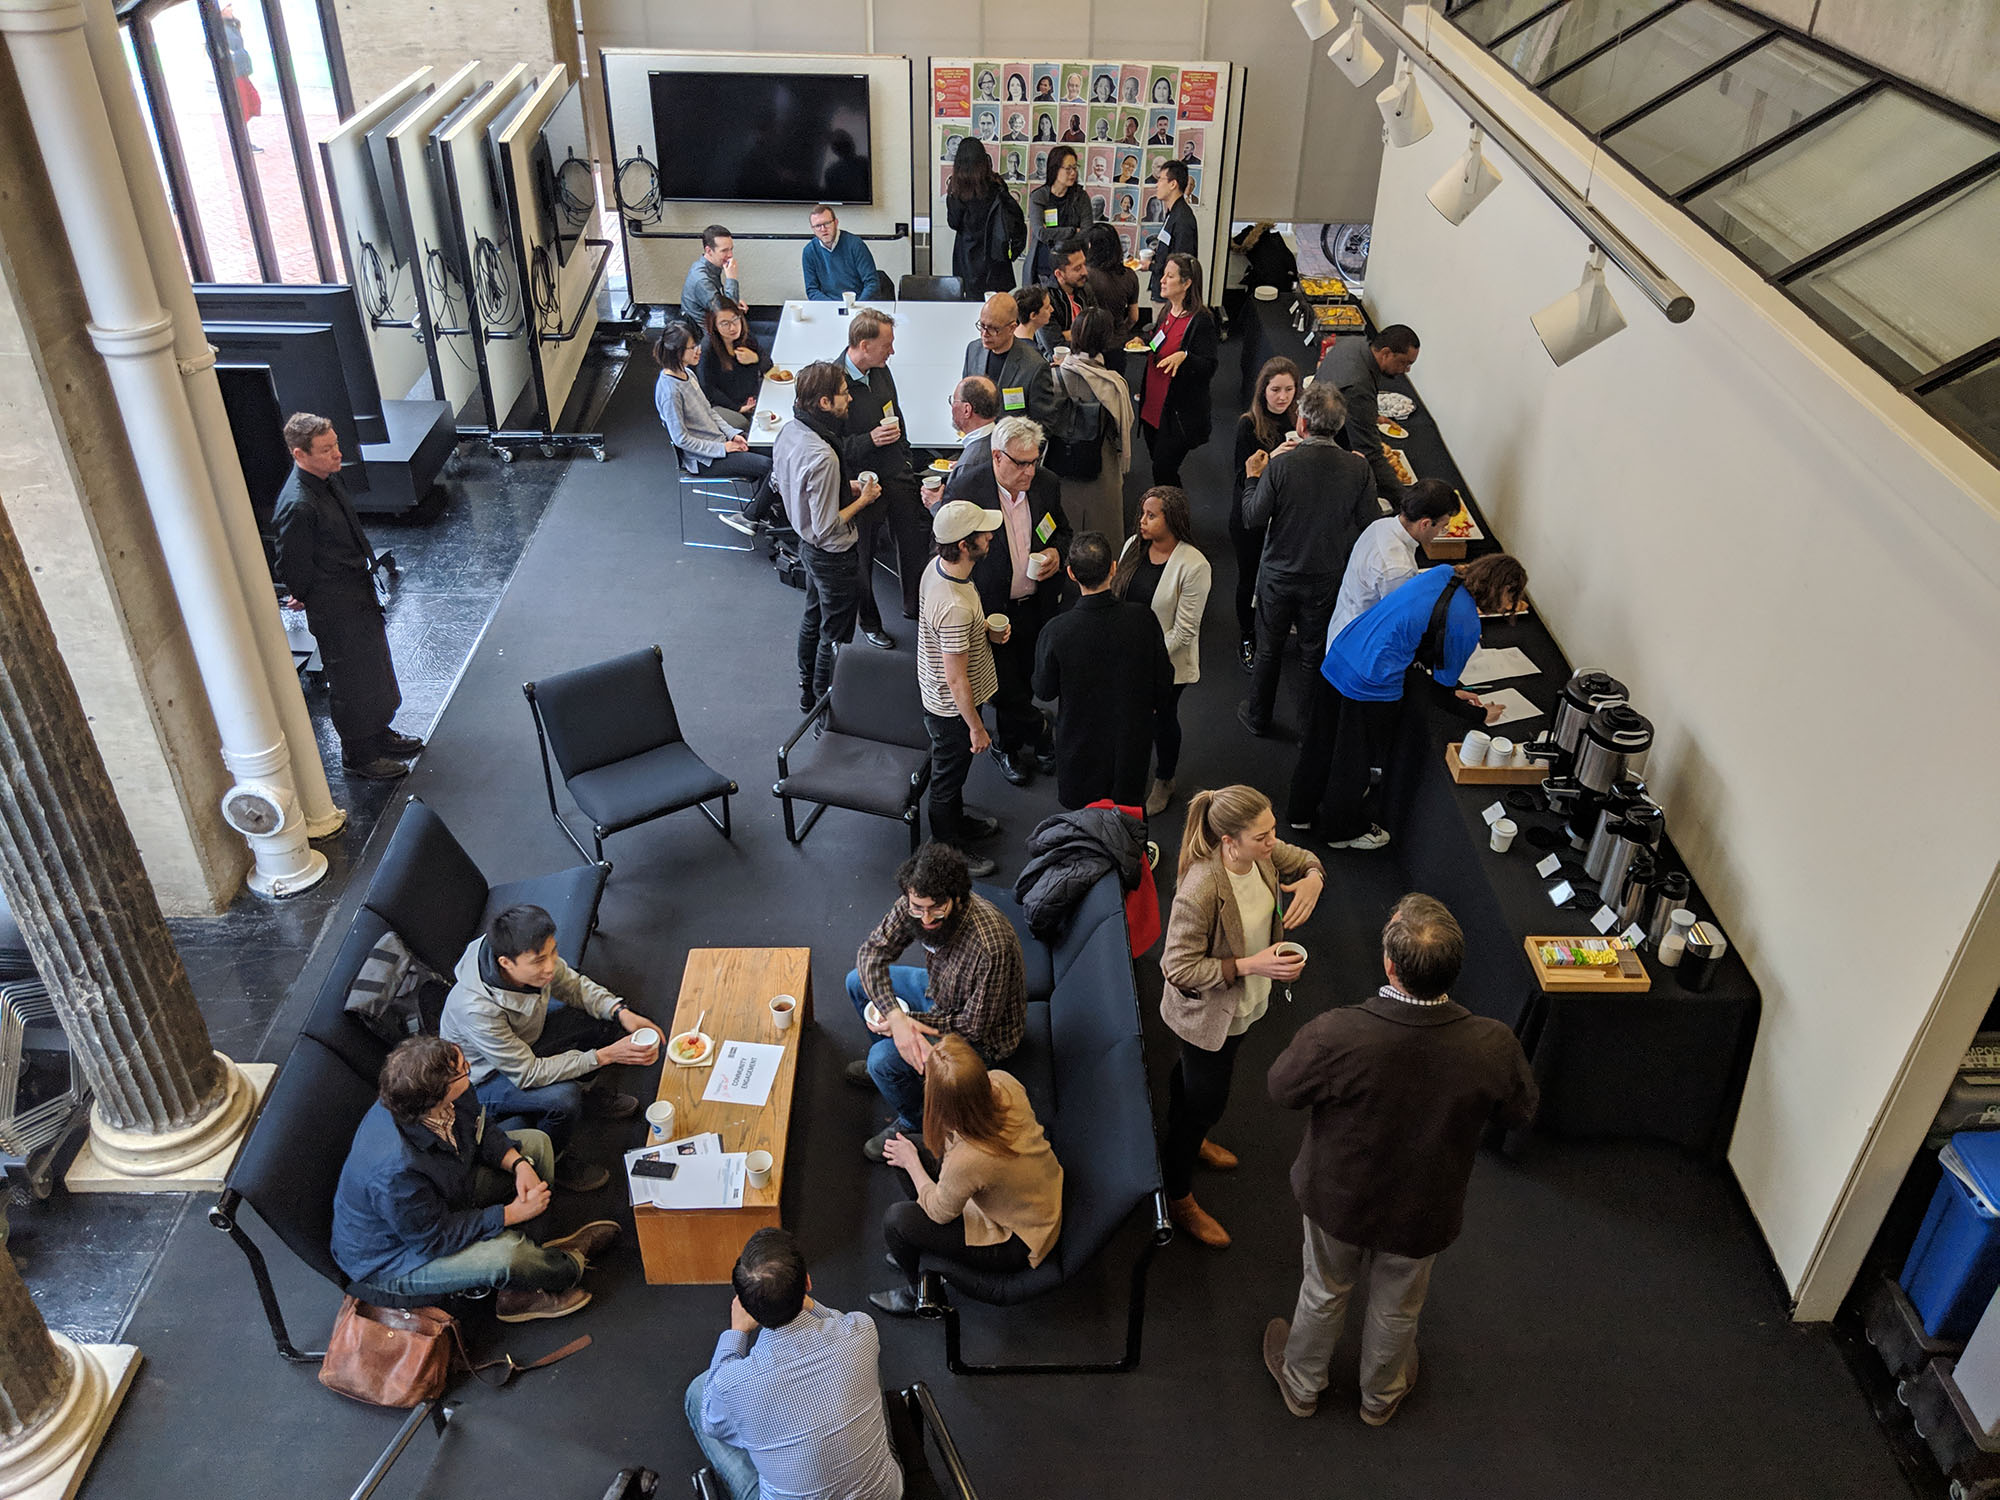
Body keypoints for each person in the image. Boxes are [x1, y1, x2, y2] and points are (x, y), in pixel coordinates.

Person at [1263, 895, 1537, 1425]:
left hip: (1338, 1195)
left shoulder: (1338, 1032)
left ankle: (1301, 1385)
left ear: (1390, 965)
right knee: (1399, 1304)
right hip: (1424, 1205)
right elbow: (1519, 1112)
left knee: (1323, 1288)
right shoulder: (1493, 1043)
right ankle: (1379, 1398)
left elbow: (1282, 1089)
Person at [331, 1036, 618, 1322]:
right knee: (506, 1256)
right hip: (397, 1257)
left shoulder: (450, 1094)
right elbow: (435, 1238)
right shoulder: (394, 1173)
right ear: (435, 1096)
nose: (469, 1066)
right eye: (463, 1069)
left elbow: (481, 1128)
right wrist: (508, 1215)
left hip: (443, 1192)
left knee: (536, 1146)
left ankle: (525, 1276)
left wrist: (518, 1164)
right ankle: (567, 1268)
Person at [1159, 786, 1324, 1249]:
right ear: (1230, 841)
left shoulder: (1264, 855)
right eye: (1263, 836)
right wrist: (1252, 965)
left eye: (1274, 831)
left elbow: (1302, 858)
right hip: (1204, 1015)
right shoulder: (1202, 888)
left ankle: (1186, 1138)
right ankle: (1176, 1192)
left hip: (1242, 1005)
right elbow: (1176, 967)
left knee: (1193, 1085)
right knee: (1206, 1102)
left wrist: (1313, 876)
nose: (1274, 842)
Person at [1290, 554, 1527, 849]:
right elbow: (1439, 692)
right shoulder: (1467, 622)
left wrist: (1453, 689)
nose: (1510, 606)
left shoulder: (1443, 573)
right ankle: (1340, 832)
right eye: (1511, 597)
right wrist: (1481, 715)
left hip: (1345, 650)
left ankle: (1299, 812)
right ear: (1501, 590)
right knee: (1352, 760)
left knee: (1320, 739)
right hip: (1370, 679)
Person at [440, 904, 658, 1192]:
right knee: (563, 1100)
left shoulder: (524, 952)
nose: (551, 966)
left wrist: (620, 1011)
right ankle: (553, 1161)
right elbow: (527, 1073)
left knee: (602, 1018)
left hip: (521, 1043)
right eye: (540, 960)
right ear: (506, 963)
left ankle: (587, 1095)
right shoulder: (474, 1009)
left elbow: (574, 987)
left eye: (553, 952)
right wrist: (604, 1056)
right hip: (486, 1078)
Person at [686, 1228, 902, 1500]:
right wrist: (810, 1305)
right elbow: (840, 1322)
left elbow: (713, 1422)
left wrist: (737, 1332)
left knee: (699, 1393)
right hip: (885, 1493)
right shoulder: (861, 1331)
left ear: (745, 1305)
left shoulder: (732, 1384)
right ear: (808, 1284)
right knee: (861, 1359)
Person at [847, 843, 1027, 1157]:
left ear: (957, 898)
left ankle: (917, 1118)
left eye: (936, 908)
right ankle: (899, 1060)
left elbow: (976, 1027)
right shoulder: (913, 903)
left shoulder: (990, 944)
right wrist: (896, 1019)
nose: (926, 918)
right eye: (918, 907)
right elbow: (871, 954)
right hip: (940, 992)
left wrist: (910, 1023)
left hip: (984, 1037)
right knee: (856, 982)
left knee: (882, 1064)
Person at [273, 412, 419, 780]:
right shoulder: (299, 505)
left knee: (373, 667)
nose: (338, 454)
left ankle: (379, 732)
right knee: (351, 680)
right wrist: (303, 593)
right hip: (335, 605)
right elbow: (290, 563)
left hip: (356, 593)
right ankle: (359, 755)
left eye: (336, 444)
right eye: (326, 449)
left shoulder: (326, 479)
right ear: (299, 454)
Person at [871, 1035, 1062, 1317]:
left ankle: (919, 1293)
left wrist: (913, 1163)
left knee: (897, 1219)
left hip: (1018, 1239)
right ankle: (920, 1245)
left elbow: (939, 1212)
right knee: (912, 1149)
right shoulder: (1002, 1082)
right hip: (1036, 1197)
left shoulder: (971, 1159)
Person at [1237, 381, 1380, 740]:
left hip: (1278, 573)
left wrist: (1253, 478)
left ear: (1301, 424)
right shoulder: (1358, 469)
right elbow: (1370, 524)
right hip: (1326, 575)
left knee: (1269, 648)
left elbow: (1252, 517)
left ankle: (1257, 716)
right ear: (1339, 424)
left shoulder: (1282, 465)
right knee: (1313, 652)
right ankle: (1310, 726)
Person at [942, 416, 1071, 789]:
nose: (1030, 471)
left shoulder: (1046, 484)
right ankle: (1029, 736)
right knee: (999, 685)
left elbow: (1063, 531)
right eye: (1021, 463)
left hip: (1037, 603)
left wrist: (1056, 555)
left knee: (1028, 675)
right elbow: (948, 551)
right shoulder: (967, 488)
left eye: (1035, 460)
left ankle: (1018, 737)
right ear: (997, 457)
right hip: (989, 610)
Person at [1031, 531, 1173, 811]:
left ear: (1071, 573)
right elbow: (1164, 679)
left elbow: (1043, 690)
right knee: (1127, 811)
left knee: (1084, 816)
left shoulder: (1056, 631)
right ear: (1113, 567)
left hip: (1079, 742)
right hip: (1130, 739)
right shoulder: (1142, 619)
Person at [775, 361, 882, 709]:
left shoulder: (790, 432)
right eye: (843, 393)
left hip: (805, 547)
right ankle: (824, 703)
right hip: (832, 554)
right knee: (834, 633)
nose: (849, 398)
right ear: (824, 403)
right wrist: (862, 499)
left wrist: (841, 488)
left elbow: (791, 487)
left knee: (813, 616)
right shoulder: (823, 456)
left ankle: (806, 686)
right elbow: (827, 527)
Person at [916, 500, 1007, 875]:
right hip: (952, 708)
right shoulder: (954, 605)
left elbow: (949, 636)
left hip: (944, 693)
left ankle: (954, 822)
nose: (990, 535)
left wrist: (982, 630)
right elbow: (956, 678)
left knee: (953, 774)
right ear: (965, 546)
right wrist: (976, 727)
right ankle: (947, 848)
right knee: (947, 777)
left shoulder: (939, 569)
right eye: (983, 533)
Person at [1113, 487, 1212, 817]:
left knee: (1162, 721)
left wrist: (1144, 658)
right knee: (1128, 716)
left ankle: (1164, 778)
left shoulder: (1194, 565)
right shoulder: (1132, 547)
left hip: (1166, 665)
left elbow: (1185, 631)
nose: (1141, 521)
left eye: (1151, 515)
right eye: (1142, 513)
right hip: (1126, 655)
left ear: (1173, 520)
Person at [837, 308, 932, 630]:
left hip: (896, 473)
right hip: (860, 486)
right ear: (864, 345)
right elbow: (833, 449)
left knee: (913, 542)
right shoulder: (835, 385)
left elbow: (896, 414)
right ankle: (870, 624)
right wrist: (870, 440)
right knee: (861, 557)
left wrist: (904, 456)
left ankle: (915, 607)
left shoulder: (880, 370)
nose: (892, 351)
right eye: (886, 344)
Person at [653, 323, 776, 523]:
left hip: (720, 443)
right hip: (704, 459)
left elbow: (709, 412)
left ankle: (765, 508)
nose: (699, 350)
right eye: (693, 347)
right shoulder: (670, 391)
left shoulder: (688, 374)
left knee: (776, 451)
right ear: (677, 352)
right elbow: (681, 439)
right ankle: (751, 517)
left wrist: (733, 434)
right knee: (769, 466)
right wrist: (723, 448)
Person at [1231, 359, 1303, 671]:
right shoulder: (1248, 425)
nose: (1282, 396)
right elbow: (1238, 477)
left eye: (1289, 389)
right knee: (1249, 578)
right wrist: (1271, 460)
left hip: (1287, 517)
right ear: (1263, 391)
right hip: (1252, 516)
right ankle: (1247, 634)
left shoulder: (1300, 422)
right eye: (1275, 390)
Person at [1326, 479, 1462, 641]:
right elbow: (1402, 622)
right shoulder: (1398, 570)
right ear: (1425, 524)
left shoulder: (1382, 524)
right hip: (1360, 643)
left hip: (1347, 621)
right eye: (1442, 527)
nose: (1441, 532)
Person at [1050, 308, 1133, 544]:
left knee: (1064, 532)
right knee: (1103, 537)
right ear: (1106, 340)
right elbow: (1121, 430)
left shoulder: (1053, 377)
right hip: (1101, 467)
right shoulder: (1115, 385)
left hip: (1061, 464)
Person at [1138, 252, 1219, 488]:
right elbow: (1158, 343)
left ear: (1187, 283)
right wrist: (1144, 343)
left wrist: (1185, 357)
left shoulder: (1201, 320)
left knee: (1163, 469)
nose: (1162, 280)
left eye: (1169, 276)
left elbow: (1209, 366)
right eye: (1163, 274)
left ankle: (1174, 515)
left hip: (1176, 413)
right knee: (1158, 463)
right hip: (1153, 405)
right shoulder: (1167, 310)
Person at [1321, 326, 1421, 500]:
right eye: (1404, 363)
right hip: (1328, 446)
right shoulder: (1359, 387)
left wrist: (1371, 416)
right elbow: (1370, 453)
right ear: (1386, 353)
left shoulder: (1354, 343)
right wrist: (1404, 497)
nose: (1407, 370)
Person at [959, 291, 1066, 433]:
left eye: (993, 329)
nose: (985, 334)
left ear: (1012, 328)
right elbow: (964, 398)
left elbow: (1044, 423)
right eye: (982, 325)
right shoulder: (973, 350)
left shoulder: (1034, 366)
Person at [946, 137, 1022, 298]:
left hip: (967, 256)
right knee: (998, 308)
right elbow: (1015, 217)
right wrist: (1013, 252)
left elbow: (953, 223)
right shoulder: (996, 184)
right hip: (996, 255)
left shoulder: (956, 187)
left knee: (970, 306)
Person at [1024, 147, 1093, 285]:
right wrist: (1072, 231)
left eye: (1075, 167)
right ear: (1055, 169)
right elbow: (1041, 233)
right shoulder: (1039, 196)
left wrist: (1053, 235)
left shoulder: (1081, 197)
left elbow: (1086, 231)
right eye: (1068, 169)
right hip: (1044, 266)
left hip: (1073, 267)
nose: (1073, 173)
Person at [698, 297, 766, 431]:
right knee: (746, 427)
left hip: (751, 398)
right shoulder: (707, 349)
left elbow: (768, 363)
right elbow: (708, 389)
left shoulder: (745, 337)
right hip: (726, 406)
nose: (733, 327)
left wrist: (755, 358)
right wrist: (738, 408)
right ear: (715, 326)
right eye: (725, 323)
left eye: (735, 319)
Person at [801, 203, 880, 303]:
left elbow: (872, 284)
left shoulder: (855, 245)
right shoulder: (809, 251)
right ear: (812, 229)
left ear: (836, 222)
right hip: (828, 306)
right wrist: (833, 307)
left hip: (858, 304)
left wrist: (857, 308)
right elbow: (812, 290)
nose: (823, 229)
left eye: (827, 223)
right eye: (817, 226)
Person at [1145, 160, 1198, 300]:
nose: (1157, 185)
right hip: (1163, 289)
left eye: (1161, 180)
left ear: (1173, 184)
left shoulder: (1182, 218)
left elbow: (1180, 264)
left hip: (1172, 296)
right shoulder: (1173, 213)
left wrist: (1150, 266)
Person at [1081, 223, 1138, 338]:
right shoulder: (1130, 275)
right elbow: (1134, 318)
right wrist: (1121, 332)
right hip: (1118, 338)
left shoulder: (1084, 275)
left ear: (1090, 246)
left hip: (1091, 339)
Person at [681, 224, 739, 328]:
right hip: (711, 334)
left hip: (718, 325)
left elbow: (719, 300)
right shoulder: (701, 280)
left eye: (731, 249)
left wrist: (733, 299)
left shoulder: (702, 265)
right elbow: (728, 314)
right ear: (708, 251)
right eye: (724, 250)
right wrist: (731, 279)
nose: (730, 255)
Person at [1041, 233, 1093, 345]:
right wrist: (1084, 334)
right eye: (1077, 268)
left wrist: (1067, 334)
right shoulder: (1045, 299)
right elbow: (1055, 346)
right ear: (1059, 274)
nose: (1085, 272)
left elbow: (1098, 329)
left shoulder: (1085, 288)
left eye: (1084, 264)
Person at [949, 375, 1001, 476]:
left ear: (967, 410)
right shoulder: (1001, 443)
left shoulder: (970, 464)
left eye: (954, 401)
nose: (952, 407)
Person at [1012, 284, 1053, 352]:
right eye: (1047, 307)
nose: (1052, 309)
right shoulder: (1032, 352)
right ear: (1033, 315)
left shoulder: (1012, 338)